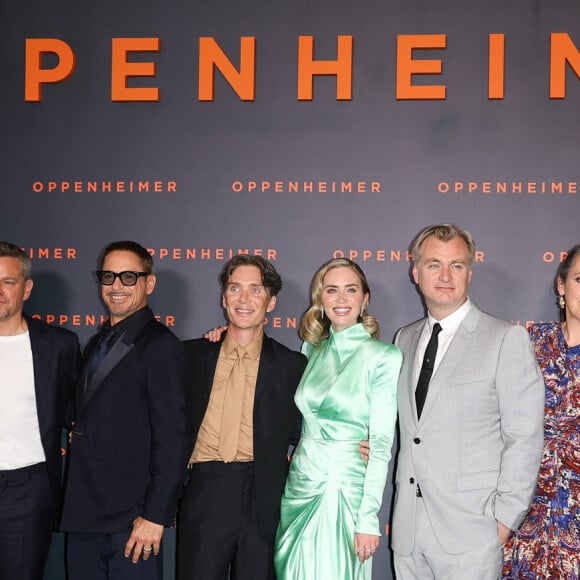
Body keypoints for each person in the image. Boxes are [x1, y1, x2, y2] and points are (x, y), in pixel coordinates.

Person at [390, 224, 545, 579]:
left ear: (469, 273)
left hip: (472, 531)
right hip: (407, 532)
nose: (445, 276)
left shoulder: (505, 338)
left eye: (456, 265)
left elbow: (524, 437)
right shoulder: (404, 339)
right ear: (416, 272)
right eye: (433, 265)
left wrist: (505, 518)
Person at [60, 241, 191, 580]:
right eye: (109, 276)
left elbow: (173, 439)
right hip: (85, 514)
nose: (116, 286)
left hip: (132, 522)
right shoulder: (98, 343)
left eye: (128, 276)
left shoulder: (162, 345)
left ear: (149, 283)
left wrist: (155, 515)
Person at [178, 255, 306, 580]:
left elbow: (308, 432)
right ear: (224, 299)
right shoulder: (190, 356)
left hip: (264, 497)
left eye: (255, 290)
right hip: (206, 490)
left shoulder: (292, 366)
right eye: (235, 289)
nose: (244, 299)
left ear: (271, 301)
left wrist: (352, 445)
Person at [274, 258, 402, 580]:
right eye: (332, 290)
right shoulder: (311, 349)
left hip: (343, 489)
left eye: (351, 290)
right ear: (320, 299)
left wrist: (368, 518)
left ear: (365, 298)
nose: (341, 300)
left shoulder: (383, 356)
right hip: (300, 485)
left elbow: (381, 442)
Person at [0, 241, 80, 580]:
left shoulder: (59, 345)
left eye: (8, 281)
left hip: (26, 490)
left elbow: (79, 414)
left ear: (27, 288)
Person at [502, 244, 580, 579]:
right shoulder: (531, 342)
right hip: (528, 503)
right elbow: (484, 411)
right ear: (561, 286)